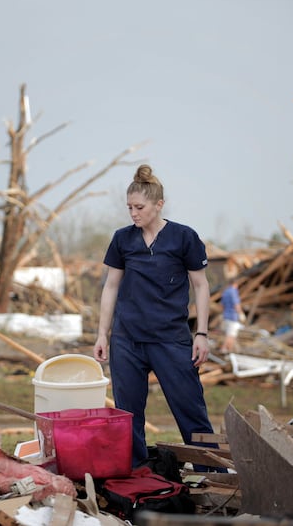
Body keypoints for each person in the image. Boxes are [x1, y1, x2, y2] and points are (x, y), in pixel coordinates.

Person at [93, 164, 219, 467]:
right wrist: (102, 334)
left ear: (158, 205)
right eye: (129, 207)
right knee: (128, 416)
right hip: (127, 341)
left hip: (170, 340)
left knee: (191, 410)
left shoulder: (183, 237)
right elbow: (111, 287)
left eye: (139, 207)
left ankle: (212, 471)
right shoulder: (123, 239)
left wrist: (201, 334)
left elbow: (201, 286)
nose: (133, 213)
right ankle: (136, 477)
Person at [220, 281, 243, 354]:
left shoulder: (226, 292)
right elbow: (236, 304)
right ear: (235, 284)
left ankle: (228, 351)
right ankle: (224, 350)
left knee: (228, 334)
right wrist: (241, 313)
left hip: (226, 316)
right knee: (231, 336)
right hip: (232, 316)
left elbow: (222, 305)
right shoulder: (233, 291)